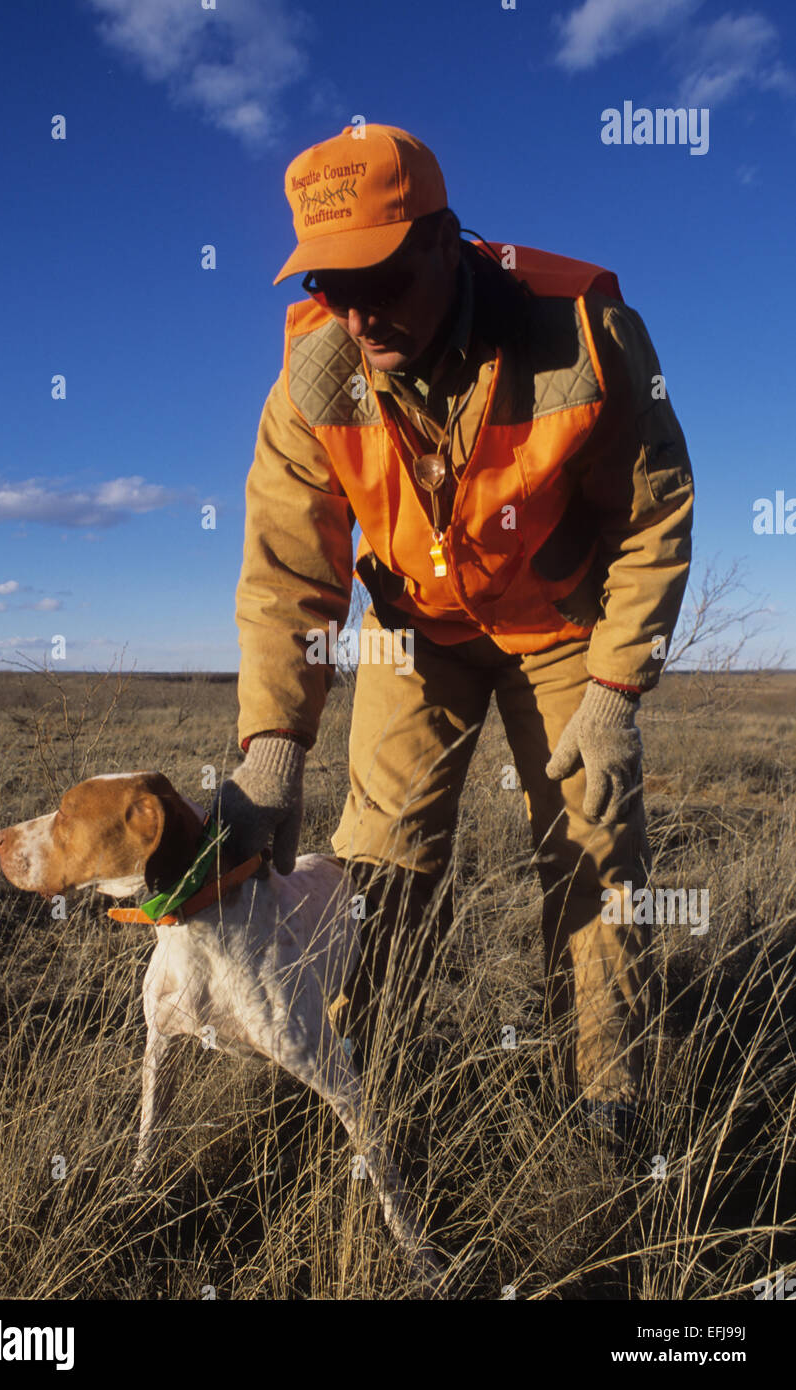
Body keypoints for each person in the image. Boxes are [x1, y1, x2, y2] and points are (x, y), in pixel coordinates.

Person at [217, 124, 694, 1141]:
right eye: (326, 286)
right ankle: (356, 1087)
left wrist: (616, 690)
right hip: (417, 634)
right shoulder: (315, 376)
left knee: (595, 846)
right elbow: (288, 569)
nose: (353, 312)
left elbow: (653, 514)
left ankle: (610, 1106)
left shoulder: (585, 333)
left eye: (376, 275)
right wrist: (271, 753)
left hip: (563, 630)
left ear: (442, 238)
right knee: (376, 862)